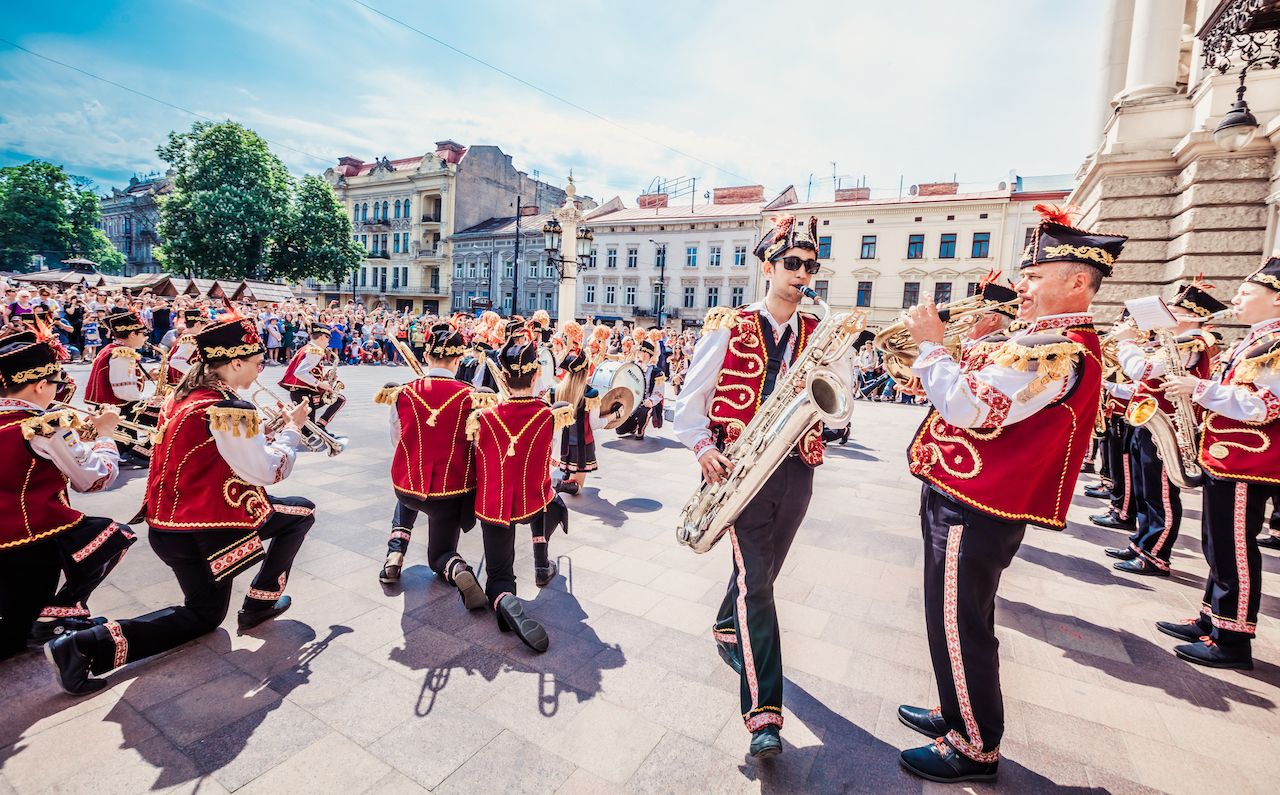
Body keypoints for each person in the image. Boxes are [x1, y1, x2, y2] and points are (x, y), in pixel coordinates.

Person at [894, 204, 1124, 782]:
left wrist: (932, 346)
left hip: (976, 503)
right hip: (964, 489)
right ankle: (956, 711)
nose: (1022, 286)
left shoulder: (1058, 346)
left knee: (960, 620)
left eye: (1035, 276)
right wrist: (948, 352)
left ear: (1077, 281)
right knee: (948, 614)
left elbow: (973, 407)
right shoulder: (1039, 338)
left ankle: (974, 742)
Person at [44, 311, 316, 696]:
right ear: (235, 362)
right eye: (257, 364)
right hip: (210, 530)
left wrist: (263, 433)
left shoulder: (184, 396)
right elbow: (267, 472)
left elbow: (216, 452)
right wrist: (291, 431)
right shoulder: (230, 408)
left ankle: (85, 645)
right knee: (300, 512)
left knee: (203, 615)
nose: (261, 371)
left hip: (170, 526)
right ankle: (261, 600)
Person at [674, 214, 852, 760]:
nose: (803, 275)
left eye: (810, 267)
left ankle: (728, 628)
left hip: (796, 466)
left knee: (765, 570)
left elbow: (839, 405)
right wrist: (705, 450)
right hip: (741, 471)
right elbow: (688, 404)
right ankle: (763, 714)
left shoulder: (817, 333)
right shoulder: (727, 324)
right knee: (759, 584)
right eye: (793, 265)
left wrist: (839, 382)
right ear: (768, 267)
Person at [1158, 258, 1280, 669]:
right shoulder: (1256, 340)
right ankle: (1212, 619)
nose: (1236, 299)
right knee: (1217, 546)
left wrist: (1200, 388)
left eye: (1247, 293)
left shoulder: (1277, 344)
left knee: (1236, 552)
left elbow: (1265, 406)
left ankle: (1232, 639)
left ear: (1277, 300)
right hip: (1228, 456)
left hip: (1249, 460)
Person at [0, 331, 133, 660]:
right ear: (38, 386)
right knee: (116, 535)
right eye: (56, 383)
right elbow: (93, 479)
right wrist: (104, 436)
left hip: (8, 539)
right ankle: (60, 612)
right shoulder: (43, 425)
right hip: (37, 538)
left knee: (13, 622)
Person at [1107, 283, 1226, 576]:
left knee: (1160, 494)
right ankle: (1141, 544)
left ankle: (1156, 553)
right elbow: (1144, 383)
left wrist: (1126, 342)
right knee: (1145, 489)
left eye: (1175, 309)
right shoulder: (1171, 342)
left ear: (1191, 316)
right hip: (1148, 421)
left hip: (1169, 427)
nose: (1167, 312)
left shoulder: (1191, 343)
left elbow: (1143, 371)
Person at [466, 330, 571, 651]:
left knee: (499, 573)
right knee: (555, 503)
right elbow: (552, 461)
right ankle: (542, 559)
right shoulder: (549, 414)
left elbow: (474, 460)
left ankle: (503, 598)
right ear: (537, 374)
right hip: (533, 500)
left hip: (492, 505)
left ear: (502, 374)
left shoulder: (483, 416)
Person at [375, 321, 490, 609]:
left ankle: (394, 554)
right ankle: (457, 567)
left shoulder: (402, 392)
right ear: (458, 359)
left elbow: (396, 440)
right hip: (450, 493)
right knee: (440, 554)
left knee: (408, 498)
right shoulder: (472, 395)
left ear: (426, 356)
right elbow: (479, 447)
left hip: (408, 487)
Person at [550, 348, 621, 498]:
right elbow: (595, 424)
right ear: (585, 372)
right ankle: (564, 485)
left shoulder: (554, 391)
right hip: (581, 447)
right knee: (578, 487)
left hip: (557, 445)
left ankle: (564, 479)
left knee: (570, 474)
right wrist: (615, 414)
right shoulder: (590, 394)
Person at [279, 325, 347, 443]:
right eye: (327, 339)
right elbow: (300, 372)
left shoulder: (307, 348)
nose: (328, 342)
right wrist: (321, 384)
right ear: (321, 337)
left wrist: (325, 378)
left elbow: (307, 371)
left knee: (308, 431)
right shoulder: (315, 351)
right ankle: (319, 426)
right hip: (305, 394)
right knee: (339, 399)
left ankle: (319, 426)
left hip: (303, 392)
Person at [614, 340, 665, 440]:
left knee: (643, 411)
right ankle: (633, 425)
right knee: (620, 430)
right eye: (639, 354)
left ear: (648, 356)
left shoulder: (656, 372)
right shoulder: (631, 367)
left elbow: (659, 393)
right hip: (631, 400)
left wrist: (651, 401)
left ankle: (641, 429)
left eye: (643, 354)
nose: (640, 356)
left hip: (645, 402)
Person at [163, 309, 208, 388]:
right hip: (185, 385)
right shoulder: (190, 339)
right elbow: (176, 362)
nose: (206, 328)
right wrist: (199, 375)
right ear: (197, 324)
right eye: (205, 324)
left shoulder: (186, 336)